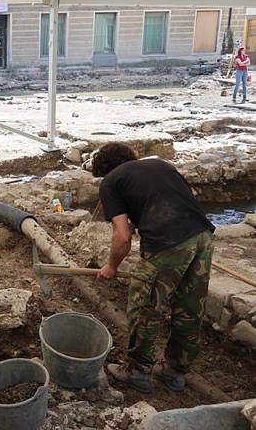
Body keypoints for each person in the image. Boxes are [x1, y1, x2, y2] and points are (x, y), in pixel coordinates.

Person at [92, 142, 215, 394]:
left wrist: (111, 266)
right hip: (202, 236)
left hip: (168, 243)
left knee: (145, 305)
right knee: (189, 308)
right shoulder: (160, 165)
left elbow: (122, 237)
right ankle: (175, 371)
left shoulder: (111, 181)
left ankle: (138, 370)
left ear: (106, 169)